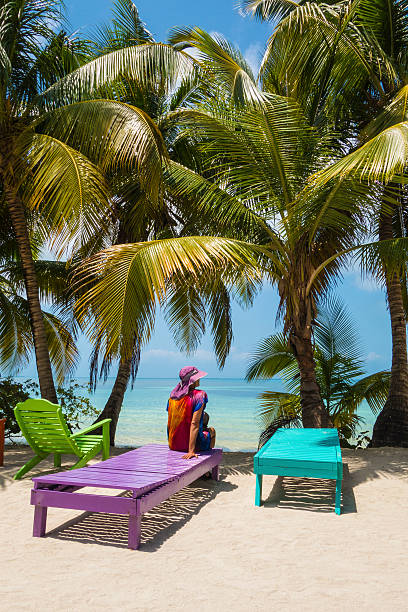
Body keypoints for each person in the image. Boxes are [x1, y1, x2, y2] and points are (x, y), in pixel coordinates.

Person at [167, 366, 216, 459]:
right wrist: (191, 451)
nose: (200, 378)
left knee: (204, 419)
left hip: (173, 444)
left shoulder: (172, 397)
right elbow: (194, 423)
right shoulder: (200, 395)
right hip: (192, 446)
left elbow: (171, 421)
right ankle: (208, 468)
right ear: (192, 380)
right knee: (212, 430)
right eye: (198, 377)